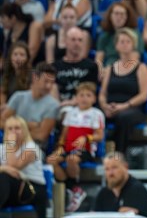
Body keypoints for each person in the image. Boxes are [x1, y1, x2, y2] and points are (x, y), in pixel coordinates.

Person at [48, 82, 105, 212]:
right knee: (51, 160)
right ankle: (72, 188)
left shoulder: (96, 114)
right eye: (81, 95)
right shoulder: (70, 113)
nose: (84, 98)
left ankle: (74, 189)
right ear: (76, 97)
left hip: (87, 149)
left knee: (72, 159)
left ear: (94, 99)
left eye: (88, 95)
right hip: (67, 148)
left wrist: (87, 138)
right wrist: (60, 147)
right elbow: (64, 134)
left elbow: (100, 136)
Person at [99, 28, 147, 155]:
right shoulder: (110, 68)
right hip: (111, 107)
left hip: (132, 108)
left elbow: (144, 95)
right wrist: (104, 106)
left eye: (128, 41)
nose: (125, 44)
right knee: (94, 114)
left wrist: (124, 106)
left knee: (123, 117)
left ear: (133, 45)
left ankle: (118, 154)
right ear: (116, 45)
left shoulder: (141, 67)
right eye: (121, 41)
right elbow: (102, 93)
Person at [0, 63, 59, 147]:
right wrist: (30, 125)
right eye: (46, 81)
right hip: (11, 145)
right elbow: (1, 122)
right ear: (35, 78)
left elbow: (41, 136)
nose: (49, 86)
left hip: (33, 147)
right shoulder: (18, 96)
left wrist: (13, 126)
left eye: (52, 82)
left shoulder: (53, 105)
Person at [0, 116, 47, 218]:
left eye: (17, 128)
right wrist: (3, 168)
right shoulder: (1, 148)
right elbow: (8, 169)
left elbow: (14, 166)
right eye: (10, 128)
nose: (13, 132)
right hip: (11, 189)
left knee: (3, 177)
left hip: (32, 188)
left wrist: (11, 144)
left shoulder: (32, 148)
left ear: (24, 130)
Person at [93, 151, 147, 217]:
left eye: (114, 167)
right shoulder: (104, 193)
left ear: (126, 167)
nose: (110, 173)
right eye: (107, 169)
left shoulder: (137, 190)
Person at [51, 27, 98, 108]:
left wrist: (73, 102)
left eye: (80, 40)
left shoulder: (91, 66)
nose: (77, 43)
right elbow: (51, 89)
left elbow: (91, 90)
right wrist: (58, 105)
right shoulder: (54, 67)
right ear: (65, 41)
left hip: (82, 106)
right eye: (73, 40)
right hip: (59, 105)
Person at [96, 2, 144, 67]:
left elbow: (135, 58)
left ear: (127, 17)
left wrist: (121, 72)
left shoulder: (134, 34)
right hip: (108, 69)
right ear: (110, 16)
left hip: (128, 69)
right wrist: (101, 71)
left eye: (122, 14)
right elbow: (98, 60)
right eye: (116, 14)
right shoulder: (105, 36)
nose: (119, 17)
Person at [0, 42, 31, 111]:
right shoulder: (6, 75)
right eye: (15, 54)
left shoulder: (31, 76)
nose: (18, 58)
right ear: (10, 57)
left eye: (22, 55)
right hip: (6, 111)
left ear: (27, 58)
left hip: (24, 110)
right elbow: (3, 95)